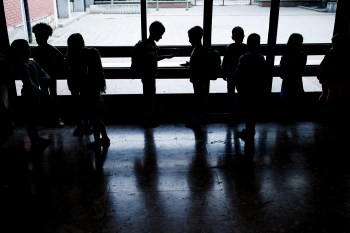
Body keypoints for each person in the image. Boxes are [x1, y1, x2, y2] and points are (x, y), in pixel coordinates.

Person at [64, 33, 110, 148]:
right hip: (94, 89)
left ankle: (102, 139)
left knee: (92, 117)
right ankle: (101, 138)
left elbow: (73, 75)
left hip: (85, 90)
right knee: (95, 117)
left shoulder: (74, 57)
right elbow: (99, 71)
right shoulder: (92, 52)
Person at [9, 39, 51, 149]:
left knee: (33, 119)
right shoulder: (23, 65)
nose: (29, 49)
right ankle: (34, 140)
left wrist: (46, 77)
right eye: (26, 48)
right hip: (28, 96)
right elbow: (29, 84)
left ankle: (36, 138)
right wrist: (43, 93)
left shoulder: (31, 62)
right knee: (30, 120)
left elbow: (42, 72)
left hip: (33, 95)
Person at [138, 21, 175, 128]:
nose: (161, 37)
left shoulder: (149, 43)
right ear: (154, 32)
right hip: (149, 75)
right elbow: (152, 59)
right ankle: (148, 120)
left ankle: (148, 118)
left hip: (147, 75)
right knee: (149, 98)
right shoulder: (150, 45)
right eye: (160, 34)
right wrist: (166, 56)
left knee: (149, 97)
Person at [235, 33, 270, 142]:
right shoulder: (261, 58)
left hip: (246, 89)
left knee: (248, 111)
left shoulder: (243, 58)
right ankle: (251, 130)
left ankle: (248, 131)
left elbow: (239, 74)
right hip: (257, 89)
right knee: (253, 111)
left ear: (248, 44)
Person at [31, 22, 65, 128]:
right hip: (50, 75)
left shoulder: (35, 50)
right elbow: (61, 57)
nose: (37, 38)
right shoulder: (50, 48)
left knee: (46, 96)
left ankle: (49, 118)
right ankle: (55, 118)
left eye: (38, 36)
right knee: (53, 96)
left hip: (42, 76)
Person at [317, 32, 350, 126]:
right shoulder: (343, 53)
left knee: (325, 93)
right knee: (333, 94)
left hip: (328, 76)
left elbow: (323, 64)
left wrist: (320, 73)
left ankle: (322, 110)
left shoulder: (331, 52)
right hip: (336, 77)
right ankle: (329, 112)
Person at [185, 25, 210, 129]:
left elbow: (197, 64)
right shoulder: (202, 49)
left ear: (194, 38)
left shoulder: (196, 50)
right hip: (202, 79)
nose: (189, 40)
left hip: (198, 79)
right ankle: (199, 119)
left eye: (190, 37)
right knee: (200, 99)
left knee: (198, 99)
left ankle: (197, 121)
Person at [222, 26, 248, 125]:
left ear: (232, 37)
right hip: (241, 75)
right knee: (241, 95)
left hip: (231, 74)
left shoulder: (230, 47)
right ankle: (238, 114)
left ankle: (231, 114)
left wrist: (224, 72)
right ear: (243, 36)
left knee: (231, 94)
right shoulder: (245, 47)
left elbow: (225, 61)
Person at [279, 33, 307, 121]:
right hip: (296, 79)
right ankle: (293, 115)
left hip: (287, 79)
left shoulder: (286, 54)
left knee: (285, 97)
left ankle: (285, 115)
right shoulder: (302, 55)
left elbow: (282, 67)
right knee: (295, 97)